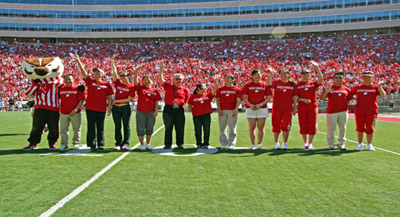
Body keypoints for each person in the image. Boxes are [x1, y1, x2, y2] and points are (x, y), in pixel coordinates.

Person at [69, 53, 114, 151]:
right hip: (90, 108)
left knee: (100, 127)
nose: (96, 73)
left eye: (98, 72)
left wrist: (109, 108)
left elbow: (110, 97)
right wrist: (78, 60)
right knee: (91, 127)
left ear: (102, 74)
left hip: (101, 108)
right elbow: (83, 72)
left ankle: (101, 144)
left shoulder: (106, 84)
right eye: (95, 72)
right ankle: (92, 144)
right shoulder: (90, 82)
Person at [350, 71, 387, 151]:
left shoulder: (375, 87)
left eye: (369, 77)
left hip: (371, 111)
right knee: (360, 128)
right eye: (365, 77)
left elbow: (383, 96)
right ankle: (360, 144)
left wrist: (380, 87)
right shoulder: (357, 87)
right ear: (362, 78)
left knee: (370, 128)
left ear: (372, 78)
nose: (367, 79)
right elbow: (349, 96)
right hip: (360, 111)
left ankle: (369, 144)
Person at [158, 61, 190, 149]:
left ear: (182, 80)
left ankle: (180, 144)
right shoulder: (168, 86)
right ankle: (167, 144)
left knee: (180, 128)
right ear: (173, 80)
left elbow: (186, 99)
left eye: (180, 79)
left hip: (179, 110)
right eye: (177, 79)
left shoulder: (185, 89)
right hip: (168, 109)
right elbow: (161, 79)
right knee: (168, 127)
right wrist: (161, 69)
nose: (178, 80)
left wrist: (180, 103)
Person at [293, 61, 323, 150]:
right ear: (301, 75)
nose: (305, 75)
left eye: (307, 73)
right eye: (303, 73)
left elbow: (320, 79)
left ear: (310, 74)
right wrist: (302, 100)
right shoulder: (298, 85)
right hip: (302, 107)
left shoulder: (313, 84)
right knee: (303, 125)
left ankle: (310, 143)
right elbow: (295, 97)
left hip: (312, 107)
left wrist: (317, 67)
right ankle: (305, 143)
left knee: (312, 125)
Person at [320, 71, 352, 150]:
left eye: (340, 78)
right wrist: (326, 92)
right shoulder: (330, 88)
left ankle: (341, 144)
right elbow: (321, 98)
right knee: (331, 129)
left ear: (343, 79)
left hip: (343, 111)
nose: (338, 79)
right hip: (331, 112)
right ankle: (330, 144)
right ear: (333, 79)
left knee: (342, 128)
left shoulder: (347, 89)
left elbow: (348, 100)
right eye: (336, 78)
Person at [133, 63, 162, 150]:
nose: (147, 81)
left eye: (149, 79)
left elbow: (156, 101)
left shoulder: (155, 90)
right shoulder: (140, 88)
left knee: (150, 128)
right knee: (140, 129)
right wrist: (136, 71)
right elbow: (135, 81)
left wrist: (156, 111)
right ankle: (142, 144)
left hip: (151, 112)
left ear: (152, 81)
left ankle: (148, 144)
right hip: (141, 112)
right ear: (142, 81)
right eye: (145, 79)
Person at [242, 69, 272, 150]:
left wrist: (260, 104)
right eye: (255, 75)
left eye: (258, 74)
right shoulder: (247, 85)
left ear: (261, 75)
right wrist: (250, 105)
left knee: (261, 127)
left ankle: (259, 144)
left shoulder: (265, 85)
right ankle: (252, 144)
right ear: (252, 76)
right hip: (250, 108)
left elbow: (269, 97)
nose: (257, 76)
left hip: (262, 108)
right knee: (252, 127)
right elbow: (244, 97)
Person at [110, 55, 136, 150]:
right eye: (120, 75)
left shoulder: (131, 86)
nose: (121, 77)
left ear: (128, 76)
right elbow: (114, 72)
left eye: (123, 75)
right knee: (117, 126)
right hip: (116, 109)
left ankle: (125, 143)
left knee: (126, 126)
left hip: (125, 108)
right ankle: (118, 143)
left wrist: (116, 101)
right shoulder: (118, 83)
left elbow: (128, 99)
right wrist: (112, 62)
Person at [267, 67, 295, 150]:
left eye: (285, 73)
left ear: (288, 74)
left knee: (286, 126)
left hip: (288, 108)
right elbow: (268, 83)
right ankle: (276, 143)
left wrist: (294, 108)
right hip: (277, 108)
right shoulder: (276, 82)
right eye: (281, 73)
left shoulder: (292, 84)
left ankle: (285, 143)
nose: (283, 75)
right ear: (279, 75)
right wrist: (271, 73)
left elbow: (294, 97)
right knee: (276, 126)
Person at [188, 77, 218, 149]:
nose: (205, 88)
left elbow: (215, 90)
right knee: (197, 130)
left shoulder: (208, 95)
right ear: (199, 88)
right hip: (197, 116)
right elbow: (190, 105)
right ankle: (198, 143)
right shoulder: (193, 97)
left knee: (206, 130)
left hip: (206, 115)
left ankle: (206, 143)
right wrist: (194, 111)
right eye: (204, 86)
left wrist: (215, 82)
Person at [58, 74, 85, 150]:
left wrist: (75, 110)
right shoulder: (61, 89)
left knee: (76, 129)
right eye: (66, 79)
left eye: (69, 79)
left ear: (74, 80)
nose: (68, 81)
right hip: (64, 112)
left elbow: (81, 100)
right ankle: (64, 144)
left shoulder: (77, 89)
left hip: (75, 113)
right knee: (63, 129)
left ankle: (76, 143)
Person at [215, 74, 242, 150]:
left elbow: (238, 100)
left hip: (232, 110)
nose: (226, 79)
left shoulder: (237, 89)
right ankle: (223, 143)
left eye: (228, 78)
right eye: (225, 78)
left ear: (233, 79)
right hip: (222, 110)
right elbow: (217, 100)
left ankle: (231, 144)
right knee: (222, 128)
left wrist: (236, 109)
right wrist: (219, 109)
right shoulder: (220, 89)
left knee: (232, 128)